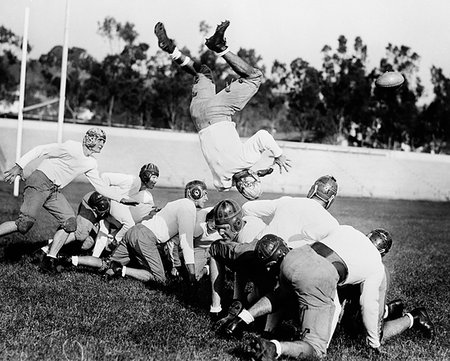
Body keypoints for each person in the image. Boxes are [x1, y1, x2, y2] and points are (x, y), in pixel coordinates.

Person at [154, 20, 291, 200]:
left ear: (250, 178)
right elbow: (232, 182)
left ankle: (219, 47)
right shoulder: (221, 181)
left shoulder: (246, 160)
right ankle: (171, 49)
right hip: (198, 115)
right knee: (202, 72)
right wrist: (254, 173)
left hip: (217, 114)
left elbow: (264, 136)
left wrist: (278, 155)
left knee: (254, 78)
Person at [222, 225, 388, 360]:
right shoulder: (377, 265)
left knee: (281, 293)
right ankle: (274, 348)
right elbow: (369, 306)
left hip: (297, 255)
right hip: (318, 275)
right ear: (382, 252)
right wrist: (374, 344)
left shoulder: (348, 229)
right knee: (316, 349)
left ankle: (240, 320)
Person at [0, 128, 138, 272]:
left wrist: (121, 199)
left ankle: (49, 260)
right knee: (24, 225)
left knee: (70, 223)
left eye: (103, 141)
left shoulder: (91, 163)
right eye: (99, 140)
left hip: (54, 190)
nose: (102, 144)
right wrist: (19, 166)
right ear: (90, 138)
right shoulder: (72, 147)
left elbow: (100, 186)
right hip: (39, 182)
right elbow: (41, 149)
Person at [209, 176, 340, 322]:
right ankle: (267, 328)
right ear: (331, 200)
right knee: (280, 284)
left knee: (215, 250)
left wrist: (261, 225)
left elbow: (247, 208)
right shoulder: (332, 224)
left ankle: (216, 309)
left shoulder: (289, 201)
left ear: (313, 190)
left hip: (256, 252)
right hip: (285, 269)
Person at [61, 180, 208, 285]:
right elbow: (186, 241)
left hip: (133, 232)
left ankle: (68, 259)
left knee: (108, 265)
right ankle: (122, 270)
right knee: (160, 279)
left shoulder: (177, 203)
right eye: (204, 194)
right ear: (195, 193)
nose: (207, 198)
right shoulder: (188, 207)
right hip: (146, 238)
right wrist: (192, 273)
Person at [338, 229, 435, 344]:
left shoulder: (379, 274)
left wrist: (374, 339)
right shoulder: (355, 258)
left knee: (364, 336)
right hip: (357, 302)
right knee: (346, 325)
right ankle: (391, 310)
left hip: (372, 305)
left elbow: (374, 313)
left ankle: (414, 317)